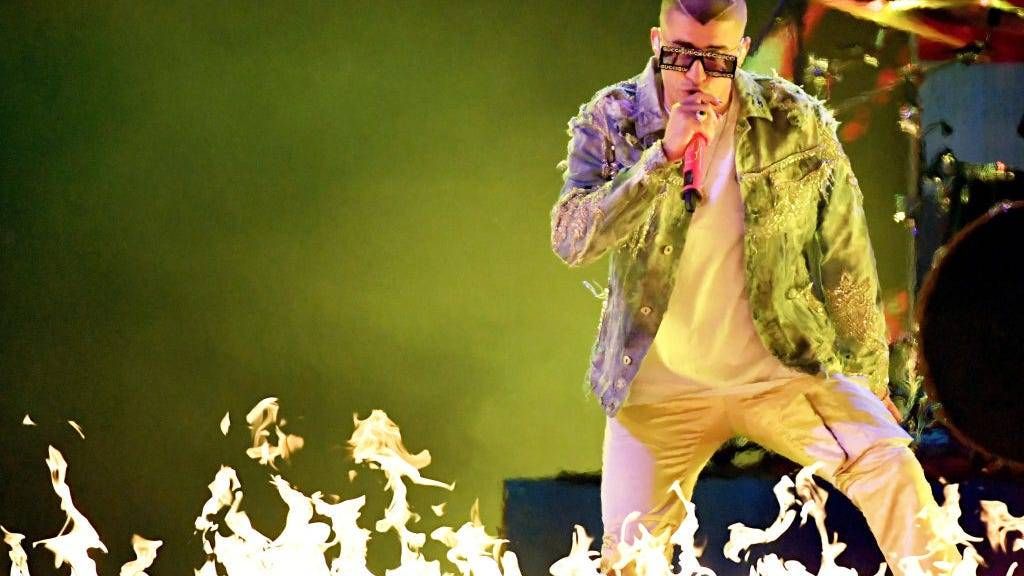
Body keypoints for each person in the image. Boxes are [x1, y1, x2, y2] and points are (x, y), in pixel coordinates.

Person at [549, 1, 963, 574]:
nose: (697, 76)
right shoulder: (614, 118)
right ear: (657, 44)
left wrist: (869, 378)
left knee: (888, 467)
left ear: (742, 53)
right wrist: (662, 158)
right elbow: (571, 239)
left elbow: (844, 258)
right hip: (659, 391)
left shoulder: (794, 121)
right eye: (681, 56)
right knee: (630, 560)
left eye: (717, 60)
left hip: (779, 371)